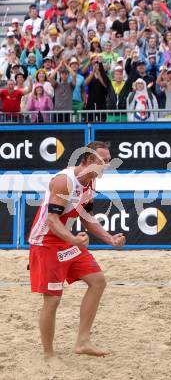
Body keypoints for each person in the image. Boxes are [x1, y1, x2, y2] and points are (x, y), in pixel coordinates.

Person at [28, 141, 126, 360]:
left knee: (98, 281)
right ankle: (48, 354)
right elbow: (52, 220)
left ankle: (82, 342)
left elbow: (87, 218)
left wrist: (109, 238)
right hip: (46, 243)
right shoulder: (64, 181)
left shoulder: (90, 182)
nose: (108, 166)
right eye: (105, 161)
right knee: (52, 299)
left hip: (68, 241)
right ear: (90, 160)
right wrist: (74, 239)